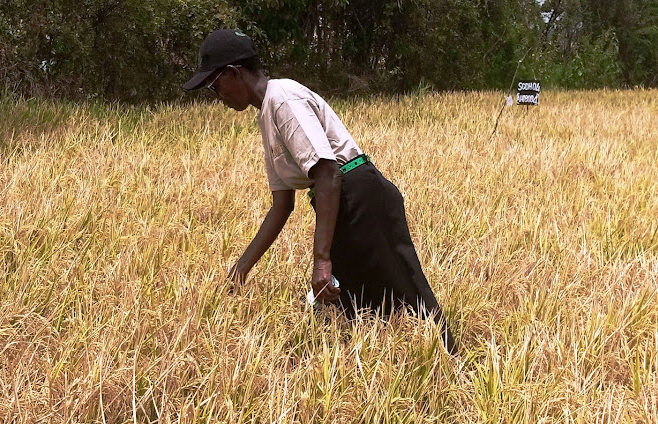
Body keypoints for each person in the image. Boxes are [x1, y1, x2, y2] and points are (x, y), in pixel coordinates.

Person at [183, 29, 456, 353]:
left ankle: (450, 364)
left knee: (403, 291)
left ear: (233, 72)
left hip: (361, 197)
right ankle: (386, 372)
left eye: (214, 85)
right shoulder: (268, 115)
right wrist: (239, 271)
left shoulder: (283, 99)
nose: (217, 95)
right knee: (353, 307)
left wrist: (321, 260)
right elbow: (281, 206)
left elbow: (328, 175)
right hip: (341, 205)